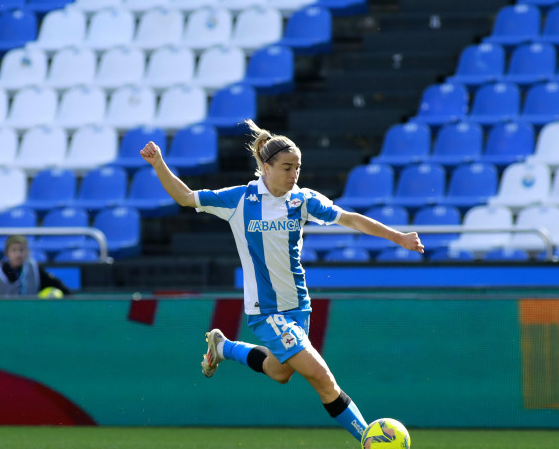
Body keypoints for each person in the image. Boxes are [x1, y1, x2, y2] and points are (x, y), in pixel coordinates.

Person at [139, 119, 423, 444]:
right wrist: (159, 163)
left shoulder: (301, 201)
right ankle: (369, 437)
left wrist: (397, 237)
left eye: (297, 168)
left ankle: (223, 347)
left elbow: (349, 218)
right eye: (287, 167)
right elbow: (186, 197)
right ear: (264, 166)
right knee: (321, 377)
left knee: (279, 372)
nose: (293, 175)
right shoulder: (240, 200)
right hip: (266, 311)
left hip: (299, 307)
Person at [0, 235, 71, 298]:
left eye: (21, 250)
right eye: (14, 250)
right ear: (6, 253)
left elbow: (59, 286)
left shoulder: (35, 270)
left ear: (27, 252)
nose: (18, 255)